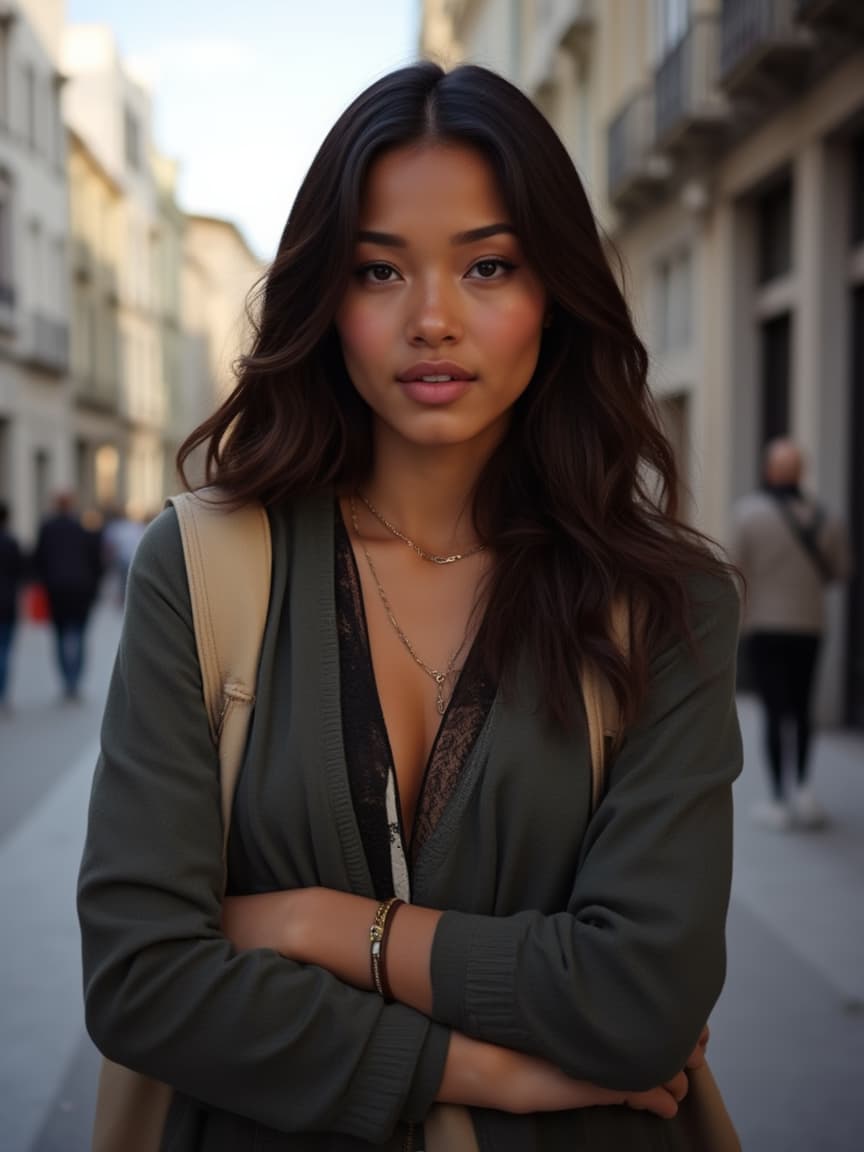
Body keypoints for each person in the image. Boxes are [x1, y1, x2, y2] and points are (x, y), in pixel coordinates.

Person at [78, 63, 742, 1151]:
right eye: (379, 271)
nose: (433, 319)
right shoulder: (201, 569)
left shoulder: (665, 603)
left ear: (555, 295)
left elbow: (641, 997)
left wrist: (311, 923)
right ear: (326, 302)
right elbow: (142, 982)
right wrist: (480, 1069)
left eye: (488, 265)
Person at [731, 438, 852, 831]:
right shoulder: (825, 516)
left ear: (769, 470)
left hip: (764, 626)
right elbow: (840, 570)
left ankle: (778, 800)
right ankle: (803, 789)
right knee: (802, 708)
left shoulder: (747, 514)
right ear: (801, 472)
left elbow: (735, 568)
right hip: (809, 625)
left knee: (773, 710)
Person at [34, 492, 103, 700]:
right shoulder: (83, 528)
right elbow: (96, 561)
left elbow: (39, 559)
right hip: (81, 589)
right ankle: (74, 680)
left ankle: (67, 679)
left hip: (57, 590)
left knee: (60, 635)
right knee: (80, 634)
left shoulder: (48, 528)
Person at [0, 501, 23, 713]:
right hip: (6, 602)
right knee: (4, 648)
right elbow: (21, 572)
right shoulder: (11, 543)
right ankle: (2, 693)